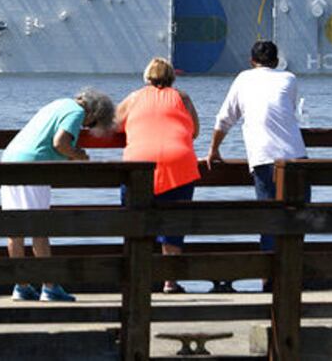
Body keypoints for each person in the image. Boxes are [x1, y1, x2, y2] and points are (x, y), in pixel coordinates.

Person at [0, 87, 117, 302]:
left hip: (9, 160)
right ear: (92, 113)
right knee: (40, 228)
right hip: (32, 168)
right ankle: (50, 287)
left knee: (15, 229)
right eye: (89, 125)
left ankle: (21, 286)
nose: (84, 127)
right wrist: (77, 155)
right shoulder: (76, 112)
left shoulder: (59, 103)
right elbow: (60, 142)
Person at [206, 40, 307, 252]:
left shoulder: (243, 79)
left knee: (269, 221)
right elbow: (289, 110)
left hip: (264, 158)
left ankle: (269, 279)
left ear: (251, 61)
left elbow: (224, 119)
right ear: (277, 61)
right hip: (296, 158)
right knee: (297, 218)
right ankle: (294, 273)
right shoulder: (289, 78)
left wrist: (214, 149)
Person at [115, 58, 201, 294]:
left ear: (147, 77)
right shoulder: (182, 98)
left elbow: (113, 124)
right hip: (178, 163)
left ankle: (136, 276)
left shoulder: (134, 98)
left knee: (135, 221)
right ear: (172, 77)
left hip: (139, 165)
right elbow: (194, 130)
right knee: (173, 222)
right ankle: (169, 281)